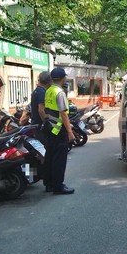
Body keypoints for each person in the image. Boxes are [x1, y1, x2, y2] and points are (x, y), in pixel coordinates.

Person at [43, 67, 75, 195]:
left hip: (50, 128)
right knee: (59, 159)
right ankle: (58, 186)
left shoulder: (49, 90)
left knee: (50, 157)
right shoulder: (59, 93)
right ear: (63, 79)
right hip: (58, 130)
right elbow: (63, 114)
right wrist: (70, 132)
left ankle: (49, 184)